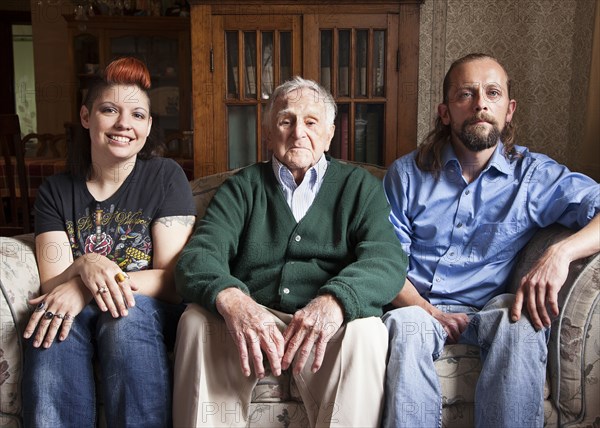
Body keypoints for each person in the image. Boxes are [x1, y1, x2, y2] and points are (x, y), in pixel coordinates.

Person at [172, 76, 407, 427]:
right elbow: (198, 257)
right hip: (250, 318)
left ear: (329, 133)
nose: (298, 132)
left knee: (369, 332)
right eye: (286, 120)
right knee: (194, 321)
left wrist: (335, 301)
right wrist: (235, 301)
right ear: (268, 133)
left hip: (327, 326)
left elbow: (387, 260)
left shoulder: (359, 187)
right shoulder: (242, 188)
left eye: (311, 122)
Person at [382, 52, 600, 427]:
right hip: (416, 305)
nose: (481, 103)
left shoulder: (532, 176)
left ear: (509, 109)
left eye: (493, 93)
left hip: (490, 306)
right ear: (446, 111)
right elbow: (384, 263)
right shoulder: (406, 175)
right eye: (466, 94)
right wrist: (427, 310)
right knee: (404, 326)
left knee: (519, 318)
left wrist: (561, 252)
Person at [22, 57, 196, 427]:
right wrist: (85, 265)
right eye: (109, 110)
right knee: (53, 319)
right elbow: (53, 282)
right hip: (81, 311)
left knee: (125, 314)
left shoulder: (166, 177)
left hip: (149, 312)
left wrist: (91, 286)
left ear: (148, 127)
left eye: (137, 115)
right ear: (86, 117)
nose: (123, 124)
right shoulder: (56, 190)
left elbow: (172, 281)